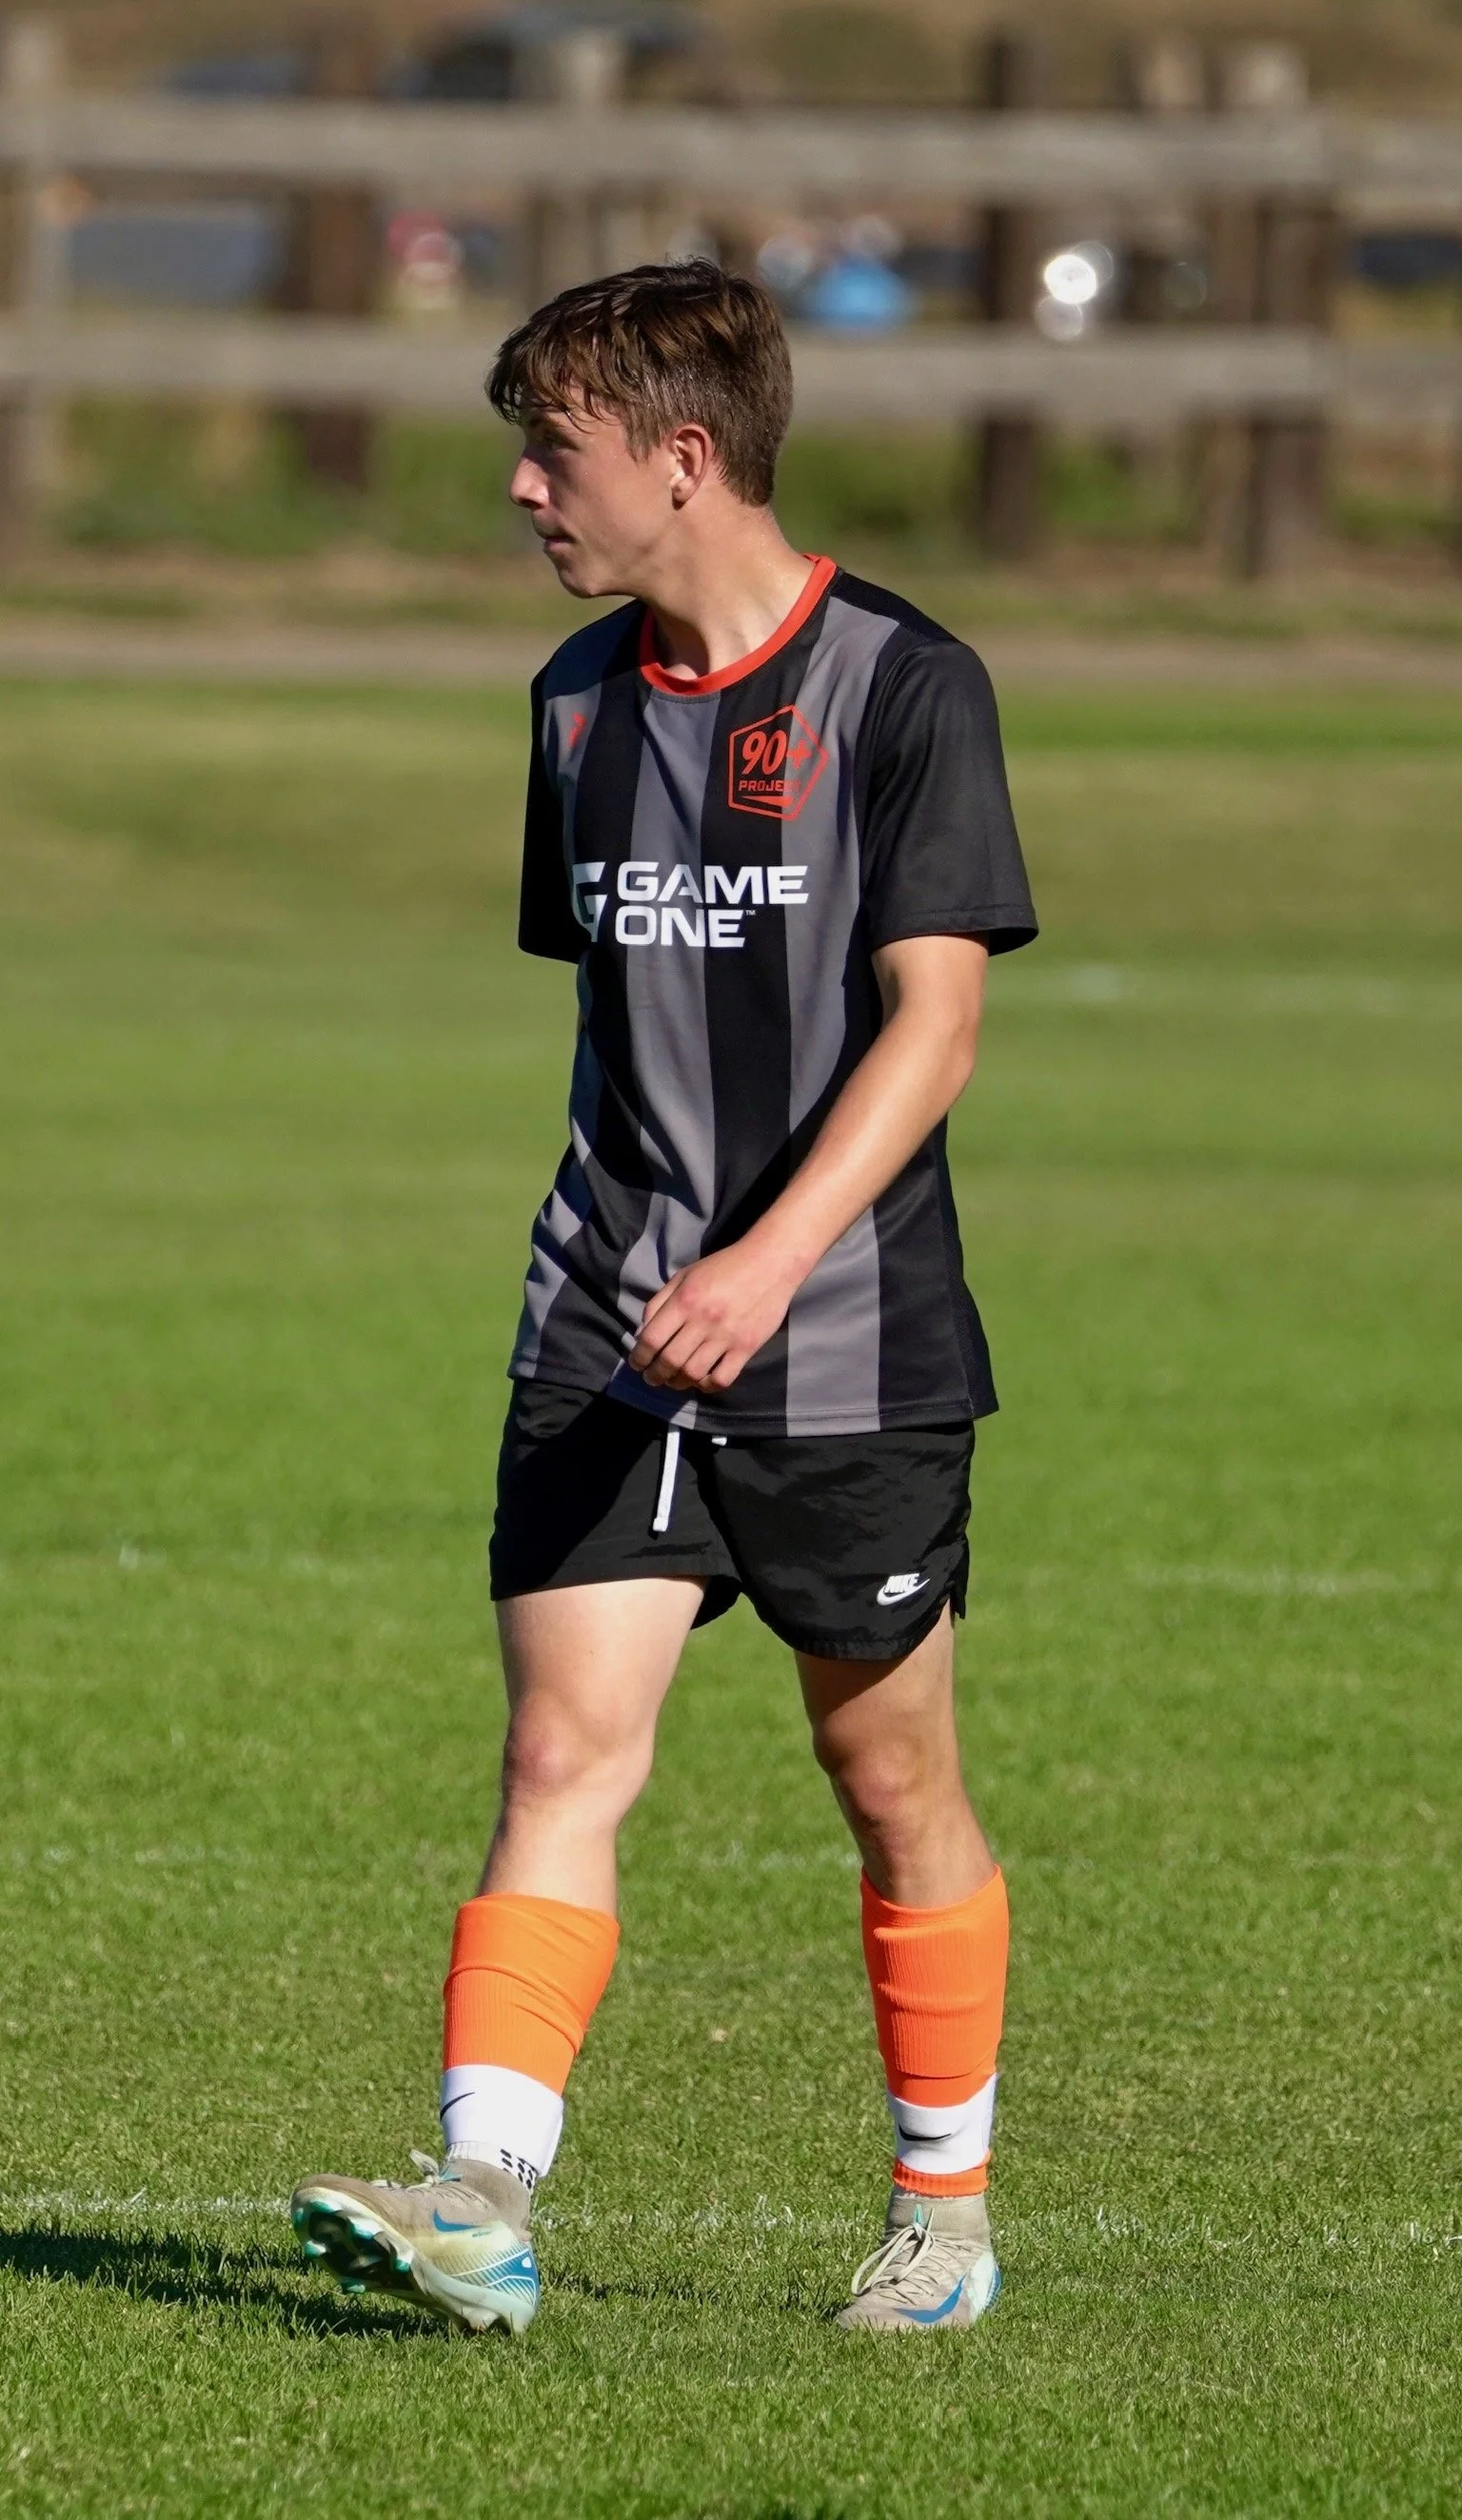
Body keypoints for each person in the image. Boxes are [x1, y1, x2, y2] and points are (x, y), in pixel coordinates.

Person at [291, 261, 1037, 2335]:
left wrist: (769, 1258)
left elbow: (938, 1024)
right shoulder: (569, 708)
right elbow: (631, 1030)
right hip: (606, 1325)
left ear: (684, 460)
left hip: (849, 1339)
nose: (527, 489)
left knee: (891, 1782)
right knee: (562, 1752)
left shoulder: (906, 683)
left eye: (558, 451)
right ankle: (481, 2195)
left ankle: (943, 2213)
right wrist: (655, 1264)